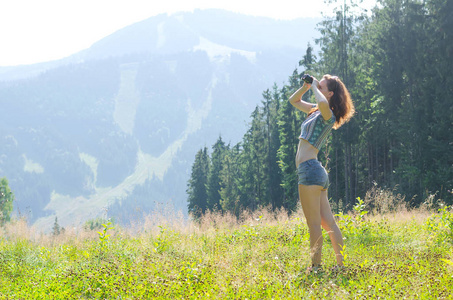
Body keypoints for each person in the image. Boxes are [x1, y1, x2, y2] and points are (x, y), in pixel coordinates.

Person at [289, 74, 355, 273]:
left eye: (322, 86)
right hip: (315, 171)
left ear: (330, 93)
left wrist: (316, 87)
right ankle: (340, 266)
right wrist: (307, 86)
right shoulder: (316, 110)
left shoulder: (328, 113)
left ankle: (316, 267)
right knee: (328, 222)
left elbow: (321, 102)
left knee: (314, 224)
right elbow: (293, 101)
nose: (318, 87)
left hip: (309, 171)